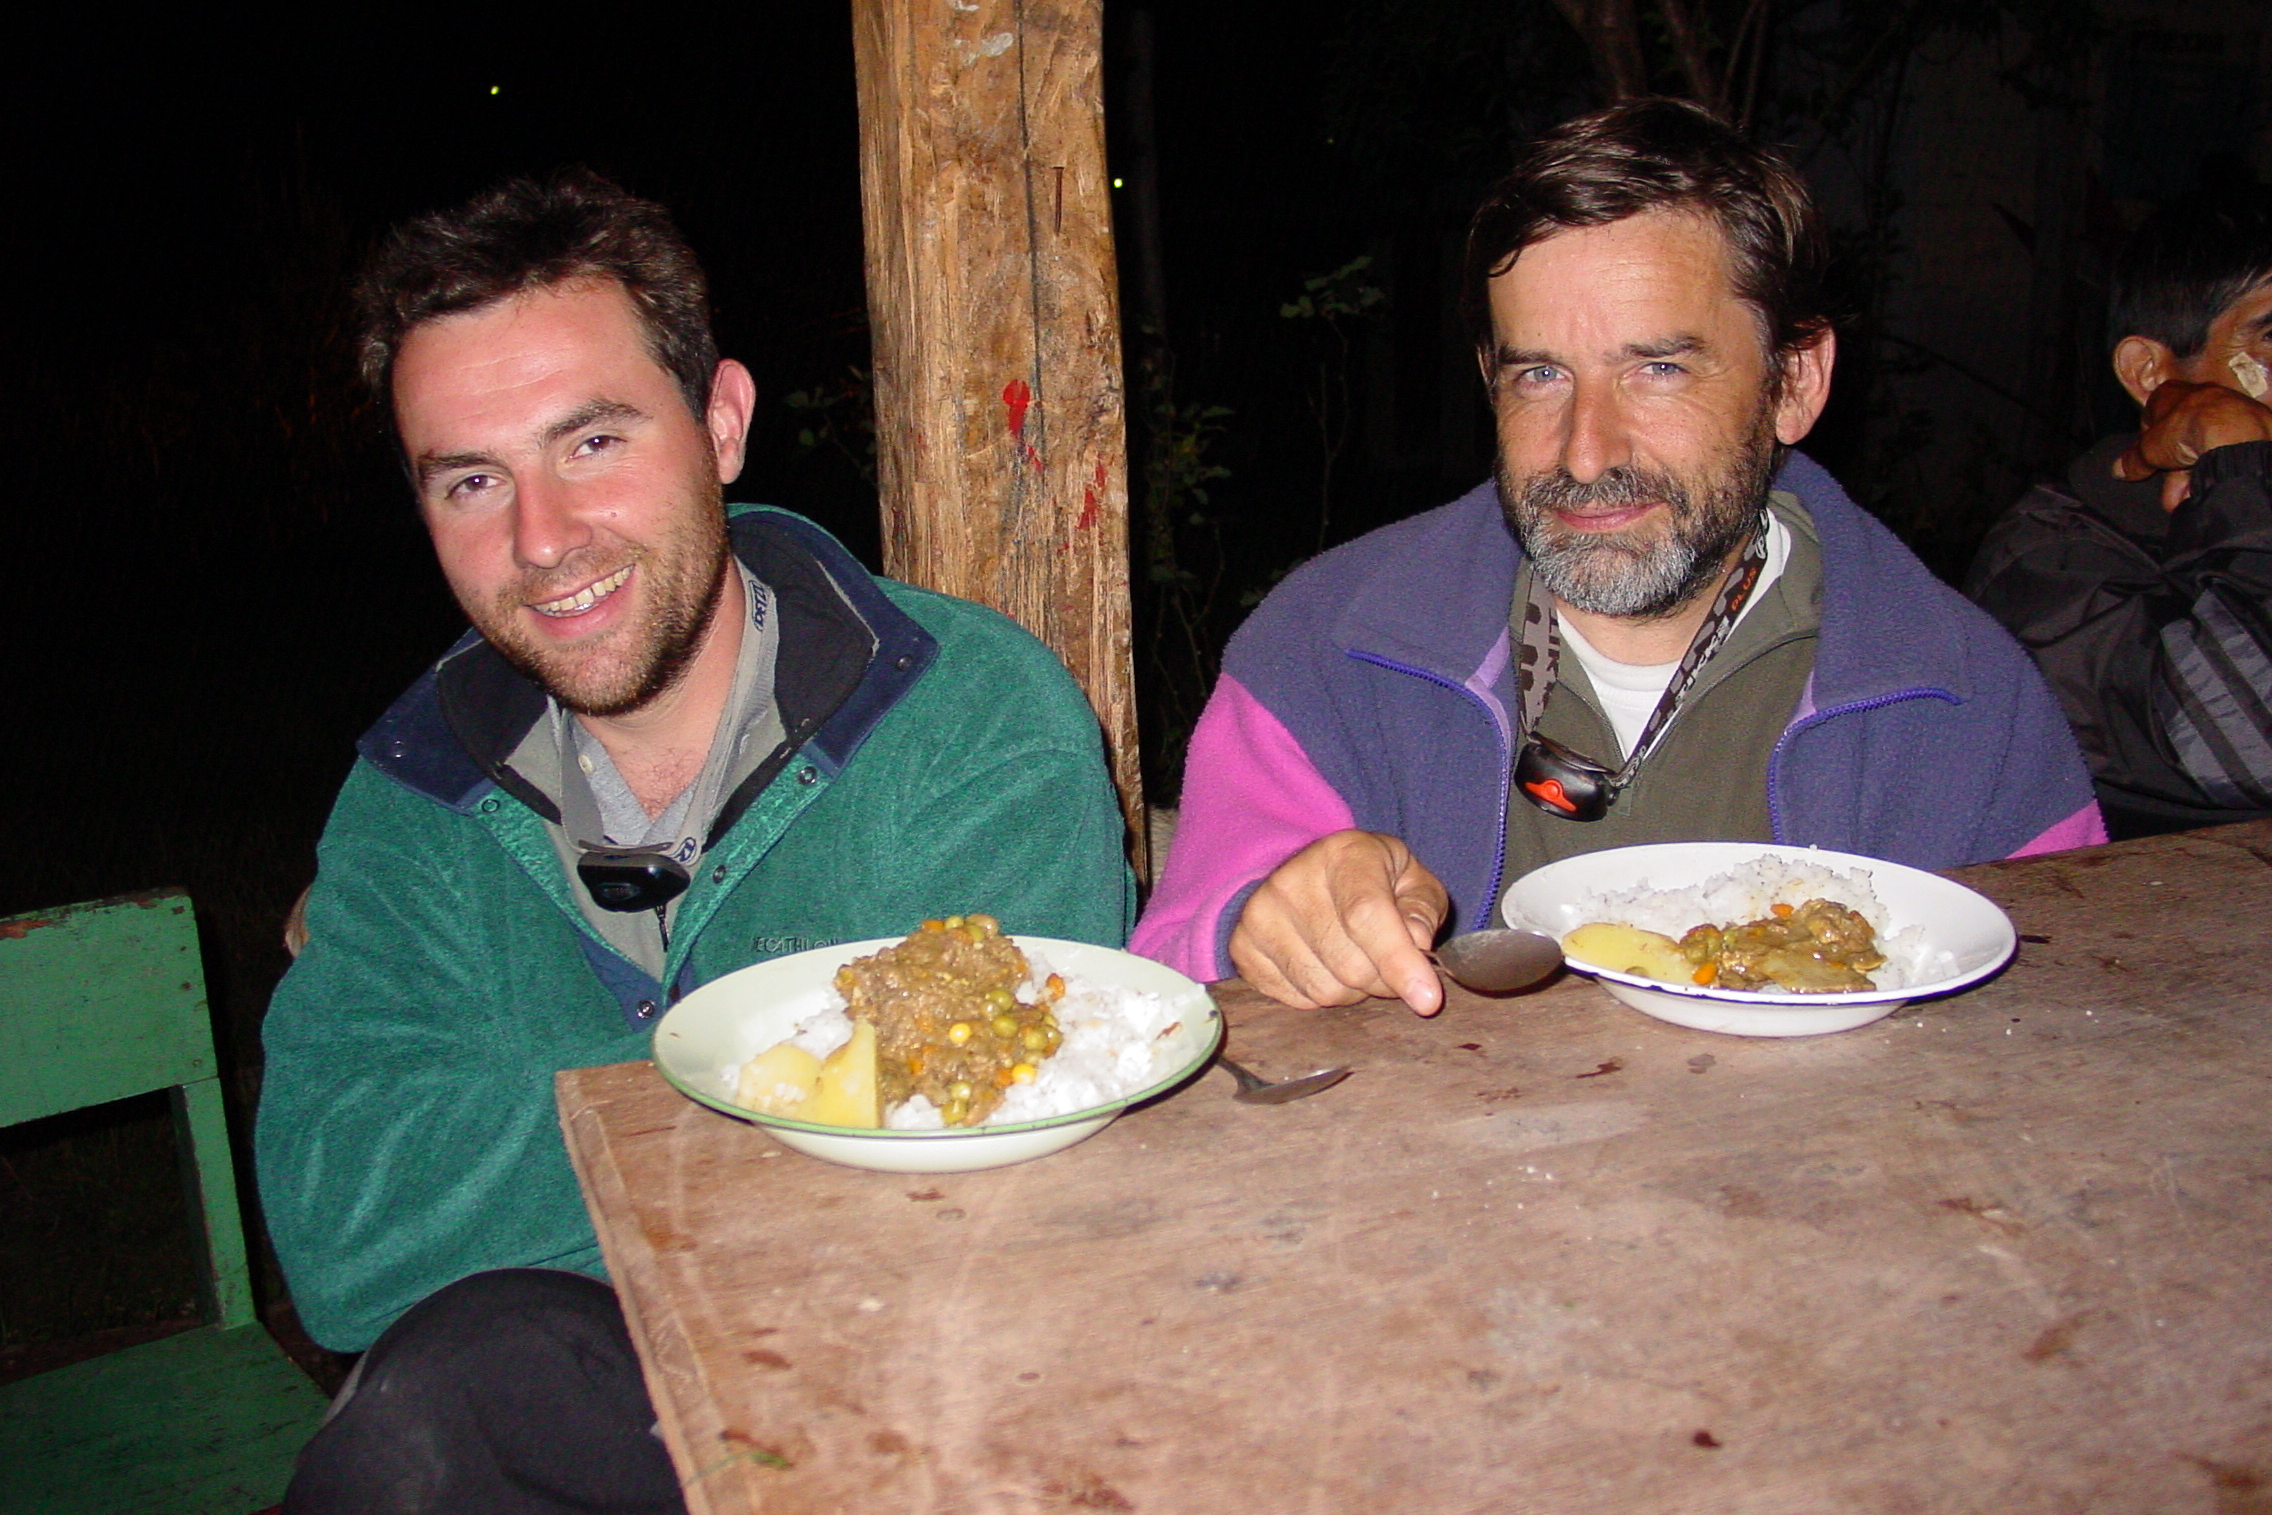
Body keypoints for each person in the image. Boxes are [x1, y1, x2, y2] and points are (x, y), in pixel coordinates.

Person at [257, 170, 1132, 1513]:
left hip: (926, 1397)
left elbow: (999, 1160)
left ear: (721, 422)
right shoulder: (412, 795)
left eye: (592, 443)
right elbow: (347, 1240)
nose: (542, 540)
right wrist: (795, 1083)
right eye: (473, 480)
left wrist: (541, 1123)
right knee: (448, 1395)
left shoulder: (965, 717)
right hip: (574, 1415)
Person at [1130, 99, 2101, 1013]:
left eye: (1658, 368)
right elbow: (1166, 979)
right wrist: (1260, 924)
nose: (1585, 452)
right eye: (1541, 375)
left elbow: (2064, 1011)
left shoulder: (1961, 700)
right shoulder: (1327, 650)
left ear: (1794, 382)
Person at [1968, 196, 2272, 839]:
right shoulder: (2050, 562)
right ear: (2151, 373)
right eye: (2270, 338)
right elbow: (2248, 747)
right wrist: (2242, 465)